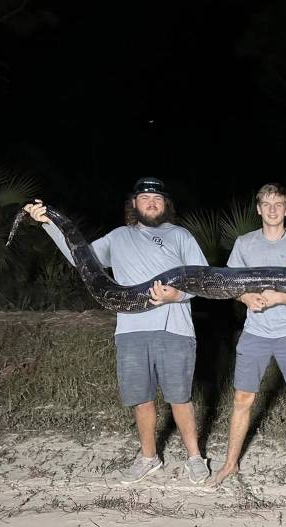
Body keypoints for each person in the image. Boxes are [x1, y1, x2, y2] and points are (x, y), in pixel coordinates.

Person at [23, 177, 211, 484]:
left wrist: (178, 295)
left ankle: (194, 458)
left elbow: (202, 279)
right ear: (133, 204)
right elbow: (78, 257)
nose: (151, 202)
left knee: (180, 397)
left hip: (175, 329)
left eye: (158, 198)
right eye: (145, 197)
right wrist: (48, 224)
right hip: (131, 331)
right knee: (142, 398)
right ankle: (149, 458)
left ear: (166, 206)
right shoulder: (119, 237)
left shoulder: (180, 235)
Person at [211, 183, 286, 486]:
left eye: (279, 204)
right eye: (267, 204)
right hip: (255, 333)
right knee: (242, 399)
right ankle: (230, 464)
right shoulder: (245, 243)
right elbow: (230, 285)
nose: (273, 209)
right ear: (258, 208)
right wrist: (246, 298)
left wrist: (281, 298)